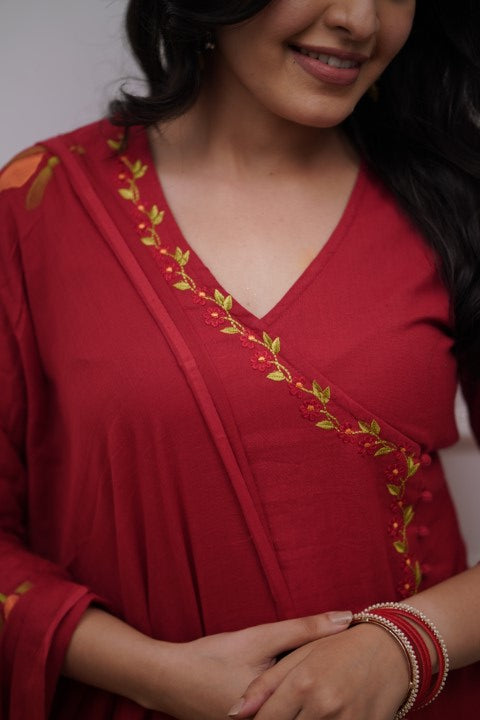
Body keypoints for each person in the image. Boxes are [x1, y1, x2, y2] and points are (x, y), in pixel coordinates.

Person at [1, 0, 479, 718]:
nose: (359, 19)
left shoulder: (452, 200)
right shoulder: (39, 202)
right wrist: (154, 674)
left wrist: (403, 644)